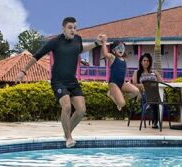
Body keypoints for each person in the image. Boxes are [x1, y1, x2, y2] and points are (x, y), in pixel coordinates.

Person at [17, 16, 101, 148]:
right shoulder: (55, 42)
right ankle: (68, 137)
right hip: (58, 81)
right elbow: (37, 56)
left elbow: (80, 48)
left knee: (81, 110)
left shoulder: (77, 39)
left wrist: (96, 43)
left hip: (72, 81)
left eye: (75, 28)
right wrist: (23, 71)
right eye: (70, 28)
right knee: (67, 106)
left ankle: (67, 132)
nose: (73, 30)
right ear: (63, 28)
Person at [99, 36, 140, 111]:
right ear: (114, 50)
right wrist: (104, 42)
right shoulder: (112, 57)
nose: (121, 49)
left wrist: (127, 82)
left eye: (122, 48)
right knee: (122, 104)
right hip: (113, 83)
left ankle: (120, 97)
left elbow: (124, 72)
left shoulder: (124, 60)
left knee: (136, 91)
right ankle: (111, 94)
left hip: (122, 83)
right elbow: (105, 54)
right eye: (118, 48)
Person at [132, 53, 162, 128]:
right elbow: (134, 84)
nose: (146, 62)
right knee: (154, 100)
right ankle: (154, 122)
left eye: (148, 61)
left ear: (150, 62)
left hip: (156, 93)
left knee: (154, 99)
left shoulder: (154, 72)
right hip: (144, 94)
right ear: (141, 62)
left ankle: (152, 114)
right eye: (144, 60)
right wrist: (144, 85)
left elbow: (162, 83)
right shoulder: (137, 72)